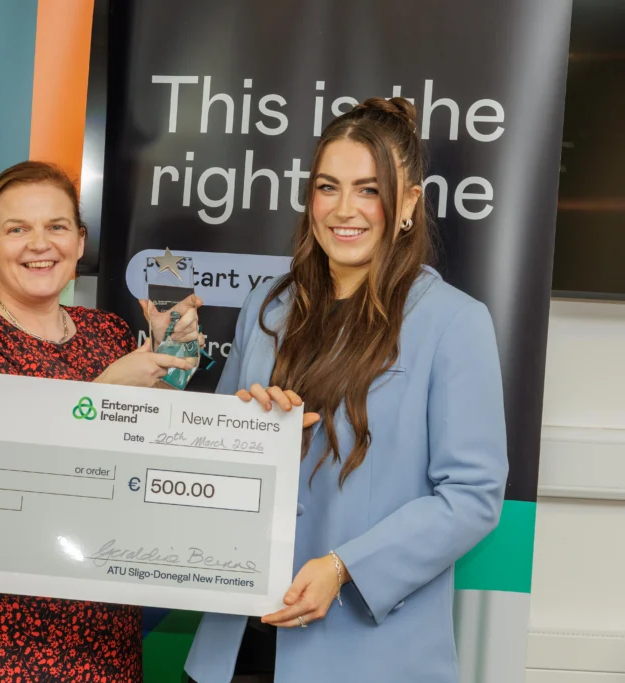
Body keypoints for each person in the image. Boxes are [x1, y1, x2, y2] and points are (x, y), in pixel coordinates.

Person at [184, 97, 508, 683]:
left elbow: (473, 495)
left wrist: (344, 568)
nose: (344, 209)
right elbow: (216, 460)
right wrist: (243, 428)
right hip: (235, 645)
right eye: (328, 187)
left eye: (369, 189)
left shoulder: (454, 322)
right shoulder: (267, 304)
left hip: (366, 653)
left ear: (408, 202)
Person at [0, 160, 201, 682]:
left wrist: (172, 361)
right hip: (4, 635)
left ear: (79, 242)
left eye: (56, 227)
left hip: (106, 626)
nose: (39, 244)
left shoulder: (109, 333)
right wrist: (101, 394)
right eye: (17, 229)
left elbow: (144, 462)